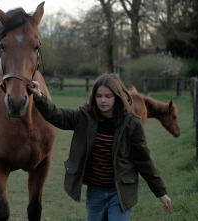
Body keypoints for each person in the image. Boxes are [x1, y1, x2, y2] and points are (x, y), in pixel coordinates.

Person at [27, 74, 172, 221]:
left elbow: (144, 160)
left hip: (121, 192)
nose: (103, 100)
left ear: (117, 96)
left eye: (108, 96)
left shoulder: (132, 123)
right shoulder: (85, 117)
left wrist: (161, 192)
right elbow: (58, 116)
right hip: (95, 192)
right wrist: (39, 96)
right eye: (99, 96)